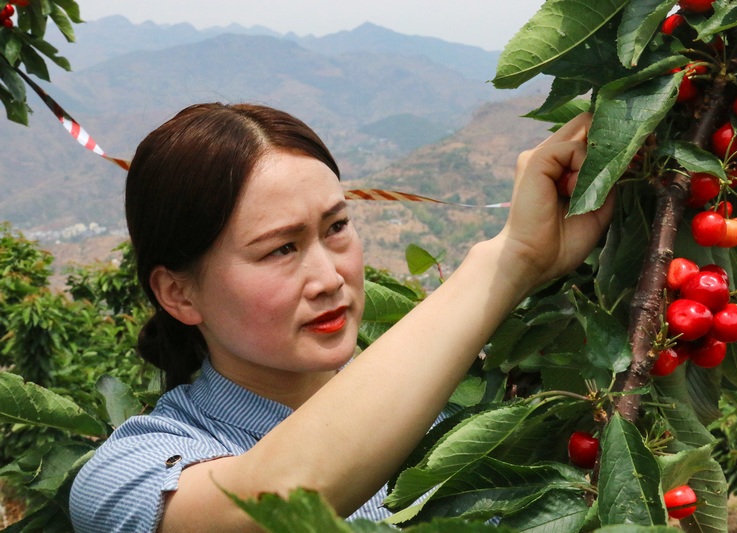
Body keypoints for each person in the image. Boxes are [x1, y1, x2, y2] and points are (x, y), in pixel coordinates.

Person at [69, 102, 614, 532]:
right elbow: (274, 504)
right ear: (179, 294)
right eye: (280, 249)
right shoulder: (130, 475)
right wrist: (510, 261)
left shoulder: (450, 435)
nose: (329, 278)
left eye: (336, 228)